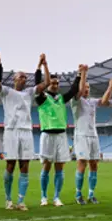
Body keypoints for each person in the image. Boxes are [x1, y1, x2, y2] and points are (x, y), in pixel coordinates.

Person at [0, 54, 47, 210]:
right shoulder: (6, 91)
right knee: (10, 165)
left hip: (26, 132)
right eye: (21, 77)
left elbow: (47, 83)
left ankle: (21, 201)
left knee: (25, 166)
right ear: (14, 79)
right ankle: (8, 200)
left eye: (25, 77)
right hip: (11, 131)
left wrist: (43, 64)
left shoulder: (30, 92)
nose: (24, 79)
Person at [34, 57, 80, 207]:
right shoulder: (42, 98)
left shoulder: (61, 98)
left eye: (57, 83)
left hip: (61, 135)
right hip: (47, 135)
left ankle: (56, 197)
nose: (55, 85)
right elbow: (37, 84)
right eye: (52, 83)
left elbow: (73, 90)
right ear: (48, 84)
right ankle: (43, 197)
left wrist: (79, 74)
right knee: (46, 166)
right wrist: (41, 66)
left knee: (60, 167)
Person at [71, 64, 102, 205]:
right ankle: (78, 194)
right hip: (81, 135)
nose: (87, 90)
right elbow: (80, 89)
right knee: (82, 163)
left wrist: (111, 86)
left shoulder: (92, 102)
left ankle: (91, 194)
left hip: (93, 136)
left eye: (89, 88)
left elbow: (105, 101)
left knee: (94, 164)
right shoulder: (76, 101)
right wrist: (83, 73)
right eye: (85, 87)